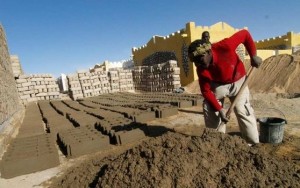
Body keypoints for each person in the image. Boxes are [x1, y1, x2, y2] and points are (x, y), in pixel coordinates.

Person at [188, 29, 262, 144]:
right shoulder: (201, 69)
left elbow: (245, 34)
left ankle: (253, 144)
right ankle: (217, 142)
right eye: (194, 61)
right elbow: (206, 91)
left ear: (208, 52)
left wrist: (253, 56)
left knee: (243, 111)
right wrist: (220, 109)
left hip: (239, 82)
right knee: (210, 107)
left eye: (199, 59)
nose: (197, 64)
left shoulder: (225, 46)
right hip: (218, 86)